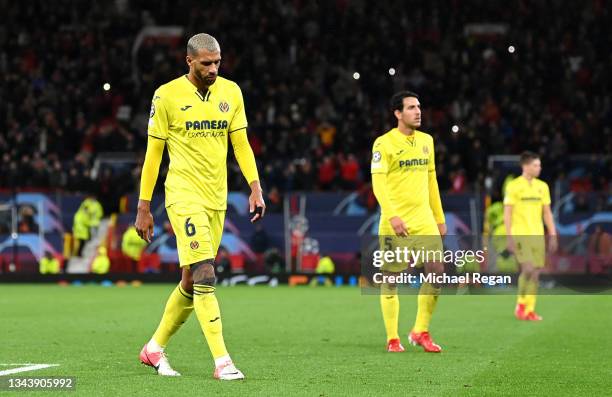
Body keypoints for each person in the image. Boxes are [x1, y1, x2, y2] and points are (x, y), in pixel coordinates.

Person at [135, 33, 265, 380]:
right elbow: (153, 156)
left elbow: (241, 144)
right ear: (188, 61)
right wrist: (144, 207)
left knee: (192, 281)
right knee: (206, 273)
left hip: (215, 198)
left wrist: (255, 187)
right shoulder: (166, 95)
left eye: (217, 62)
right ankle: (223, 362)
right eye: (206, 63)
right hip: (182, 196)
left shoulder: (231, 92)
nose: (213, 69)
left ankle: (154, 348)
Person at [371, 91, 446, 353]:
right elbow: (378, 184)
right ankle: (393, 338)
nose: (418, 111)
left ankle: (420, 331)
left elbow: (431, 181)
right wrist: (392, 215)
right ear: (398, 113)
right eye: (411, 107)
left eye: (419, 106)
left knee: (437, 273)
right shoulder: (383, 144)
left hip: (424, 220)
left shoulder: (427, 141)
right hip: (395, 222)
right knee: (391, 278)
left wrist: (439, 218)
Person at [504, 151, 557, 321]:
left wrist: (553, 234)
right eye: (535, 165)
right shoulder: (513, 186)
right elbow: (507, 214)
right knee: (527, 269)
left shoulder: (543, 186)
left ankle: (530, 309)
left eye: (539, 165)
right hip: (520, 235)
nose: (539, 168)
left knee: (536, 273)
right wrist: (509, 237)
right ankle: (521, 303)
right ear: (525, 166)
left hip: (538, 235)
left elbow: (547, 213)